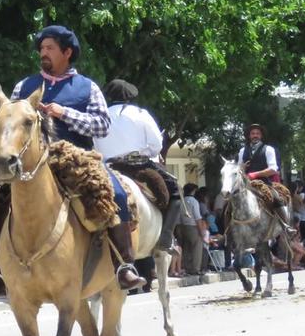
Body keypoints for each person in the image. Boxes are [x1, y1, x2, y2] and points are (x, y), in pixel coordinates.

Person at [11, 26, 145, 290]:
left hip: (77, 159)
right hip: (31, 161)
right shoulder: (23, 87)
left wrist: (65, 114)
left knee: (115, 193)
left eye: (50, 48)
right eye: (42, 49)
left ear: (67, 52)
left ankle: (124, 264)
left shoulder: (88, 88)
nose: (43, 53)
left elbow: (102, 126)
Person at [93, 78, 183, 257]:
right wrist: (144, 150)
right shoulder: (140, 113)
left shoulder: (99, 117)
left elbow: (95, 146)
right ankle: (165, 239)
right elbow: (156, 145)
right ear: (129, 97)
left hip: (109, 169)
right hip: (138, 166)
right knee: (175, 193)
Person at [175, 184, 206, 276]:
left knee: (186, 248)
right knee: (197, 247)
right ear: (193, 191)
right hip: (192, 226)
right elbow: (197, 217)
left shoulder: (181, 201)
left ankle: (187, 267)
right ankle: (195, 268)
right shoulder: (194, 201)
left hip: (181, 226)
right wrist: (201, 232)